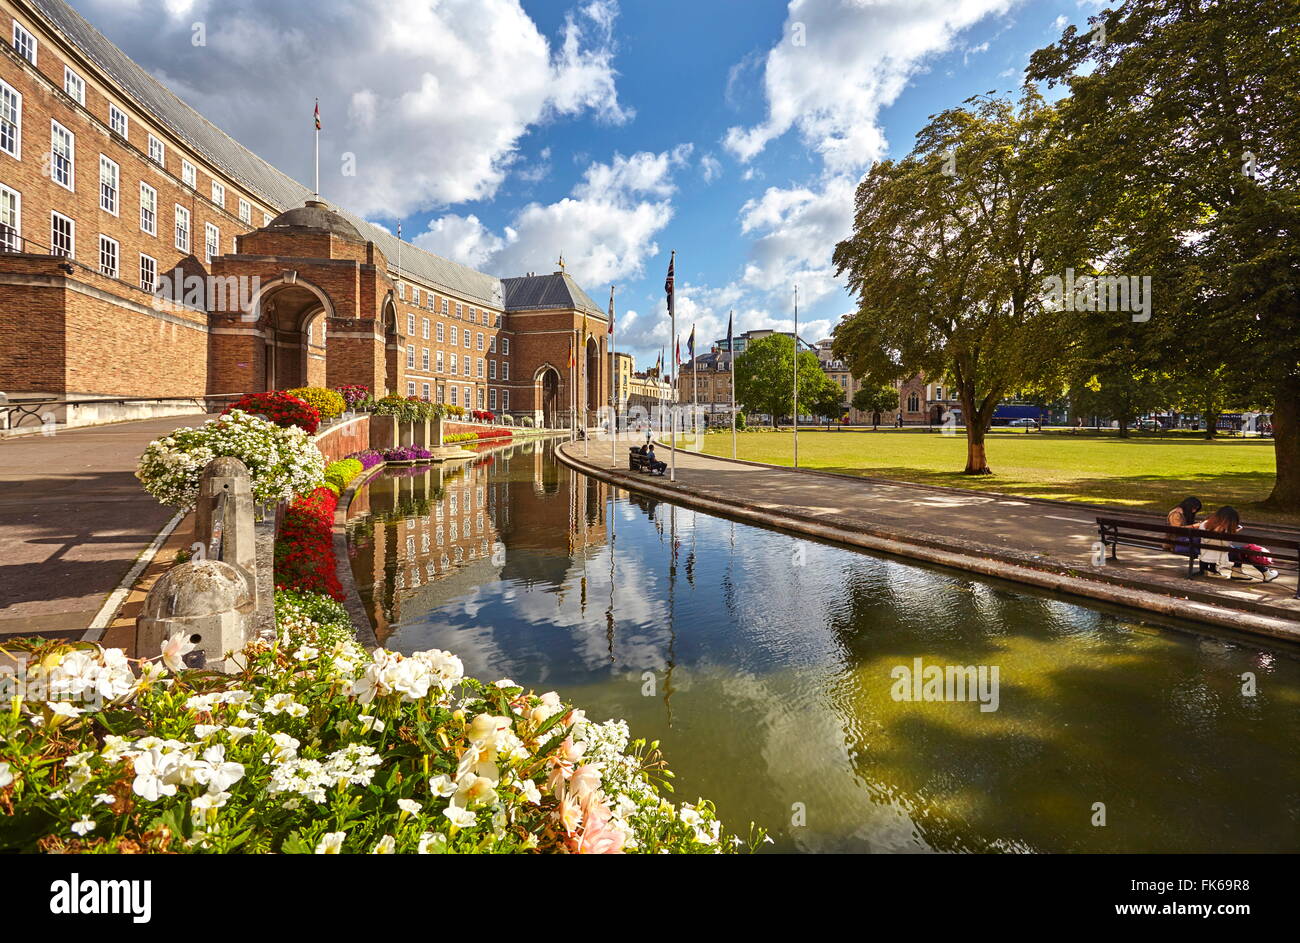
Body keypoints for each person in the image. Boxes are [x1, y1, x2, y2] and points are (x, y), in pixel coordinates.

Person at [1195, 506, 1279, 582]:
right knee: (1247, 551)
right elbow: (1225, 545)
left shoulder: (1204, 524)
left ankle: (1238, 571)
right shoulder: (1225, 529)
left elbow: (1207, 541)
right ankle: (1266, 573)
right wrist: (1233, 532)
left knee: (1241, 550)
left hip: (1206, 553)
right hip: (1219, 554)